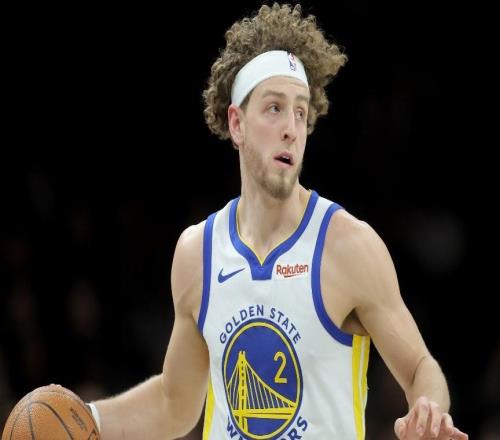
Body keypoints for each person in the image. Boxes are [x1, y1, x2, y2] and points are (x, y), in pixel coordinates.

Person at [88, 3, 468, 439]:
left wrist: (429, 407)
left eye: (300, 112)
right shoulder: (198, 253)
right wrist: (86, 419)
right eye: (274, 108)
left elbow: (420, 367)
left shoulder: (348, 245)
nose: (291, 128)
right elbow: (173, 405)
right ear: (236, 123)